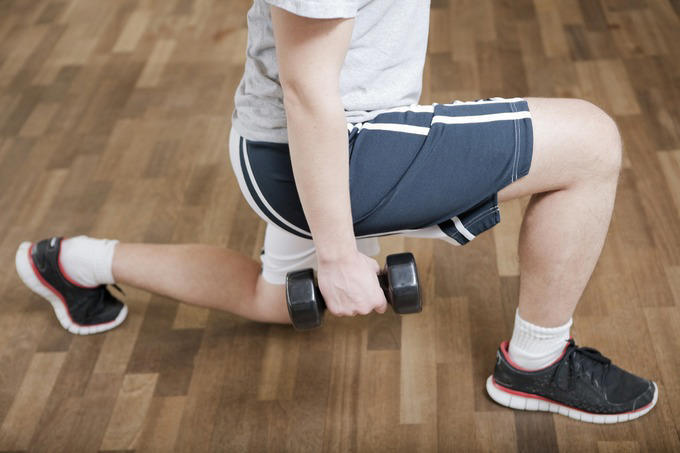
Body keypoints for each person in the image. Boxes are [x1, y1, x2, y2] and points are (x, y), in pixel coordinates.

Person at [15, 0, 657, 424]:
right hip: (333, 145)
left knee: (277, 299)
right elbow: (307, 89)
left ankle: (71, 262)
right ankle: (536, 364)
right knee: (591, 140)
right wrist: (338, 255)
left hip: (293, 147)